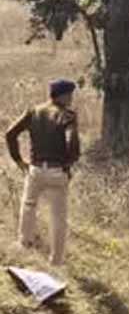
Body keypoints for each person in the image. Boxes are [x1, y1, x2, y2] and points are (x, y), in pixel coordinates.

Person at [5, 79, 80, 267]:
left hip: (35, 169)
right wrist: (69, 163)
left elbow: (10, 134)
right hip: (57, 171)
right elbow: (72, 141)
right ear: (61, 96)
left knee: (28, 206)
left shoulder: (33, 112)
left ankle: (24, 246)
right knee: (58, 217)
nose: (71, 98)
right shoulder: (67, 115)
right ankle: (56, 261)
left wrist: (19, 160)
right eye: (69, 95)